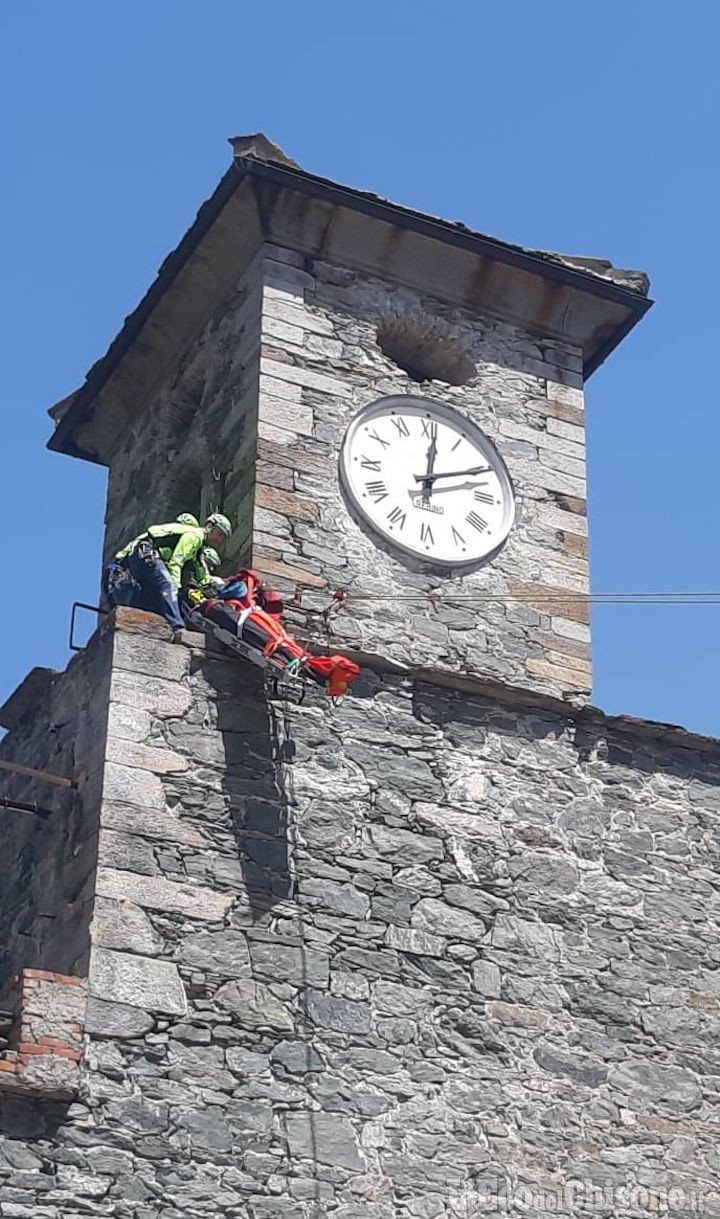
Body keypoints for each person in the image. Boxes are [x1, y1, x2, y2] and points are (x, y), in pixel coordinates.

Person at [192, 568, 360, 697]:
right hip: (274, 634)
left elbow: (228, 596)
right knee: (288, 650)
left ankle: (323, 678)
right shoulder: (247, 594)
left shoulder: (240, 590)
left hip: (265, 629)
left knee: (281, 646)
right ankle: (325, 679)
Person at [106, 512, 232, 631]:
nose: (220, 540)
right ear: (209, 526)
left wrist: (220, 586)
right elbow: (177, 560)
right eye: (219, 534)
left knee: (151, 597)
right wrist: (176, 586)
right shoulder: (195, 535)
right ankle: (177, 625)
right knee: (168, 585)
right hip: (146, 552)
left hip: (138, 557)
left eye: (223, 537)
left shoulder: (198, 551)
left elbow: (202, 574)